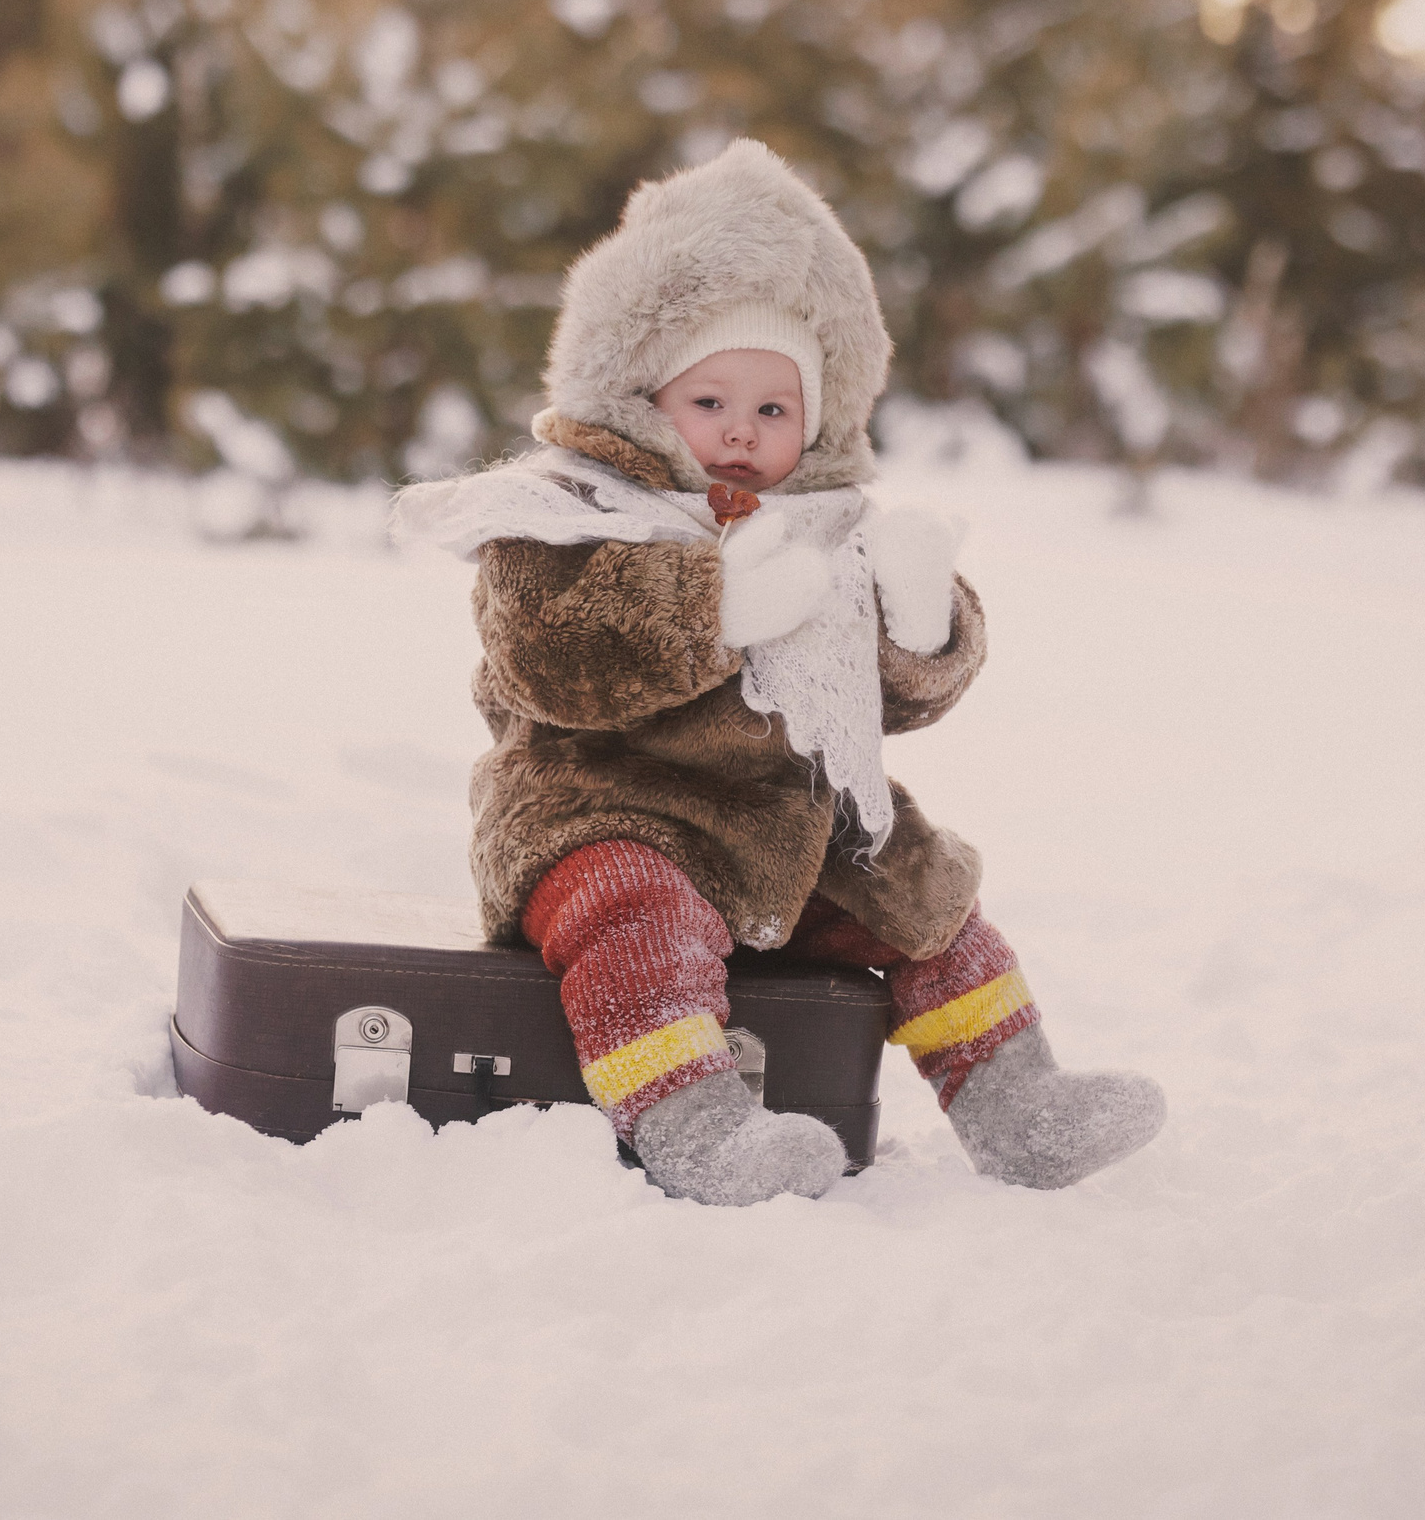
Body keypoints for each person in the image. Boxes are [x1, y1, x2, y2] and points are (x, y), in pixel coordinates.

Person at [393, 139, 1164, 1205]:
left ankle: (1016, 1103)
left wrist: (918, 618)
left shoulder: (828, 526)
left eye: (774, 410)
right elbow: (547, 654)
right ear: (643, 397)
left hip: (783, 824)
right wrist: (715, 609)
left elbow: (887, 705)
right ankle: (693, 1124)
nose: (741, 435)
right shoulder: (567, 511)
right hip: (601, 810)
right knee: (633, 910)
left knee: (920, 892)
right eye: (711, 401)